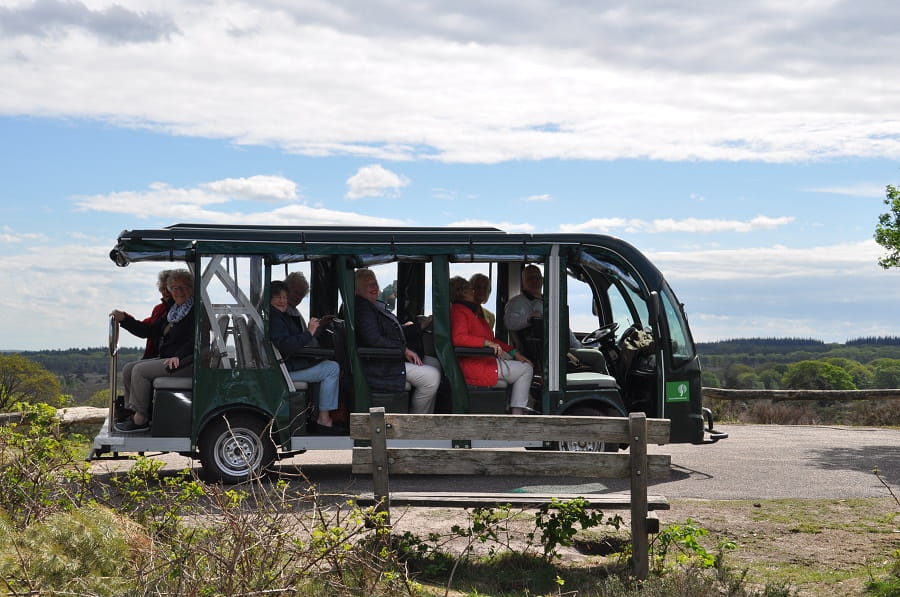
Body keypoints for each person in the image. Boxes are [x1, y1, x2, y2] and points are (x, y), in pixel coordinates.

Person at [111, 269, 195, 433]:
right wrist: (125, 319)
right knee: (128, 368)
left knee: (140, 371)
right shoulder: (174, 312)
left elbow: (196, 339)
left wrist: (179, 356)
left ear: (192, 288)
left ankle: (141, 418)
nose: (179, 291)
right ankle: (133, 412)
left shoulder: (195, 311)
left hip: (186, 362)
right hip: (170, 359)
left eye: (183, 287)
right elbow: (149, 331)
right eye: (175, 288)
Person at [354, 268, 439, 414]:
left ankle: (429, 418)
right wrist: (403, 350)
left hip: (386, 360)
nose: (374, 288)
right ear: (356, 290)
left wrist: (421, 326)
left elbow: (391, 333)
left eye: (375, 283)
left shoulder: (371, 306)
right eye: (368, 285)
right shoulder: (363, 309)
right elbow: (373, 339)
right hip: (379, 366)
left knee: (434, 363)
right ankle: (416, 424)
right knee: (431, 377)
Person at [449, 276, 534, 414]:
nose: (474, 292)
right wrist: (485, 343)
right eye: (471, 290)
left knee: (520, 365)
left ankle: (510, 410)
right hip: (476, 365)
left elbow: (491, 339)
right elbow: (458, 338)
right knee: (526, 369)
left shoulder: (472, 313)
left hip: (482, 361)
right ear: (462, 292)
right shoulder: (460, 312)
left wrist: (514, 352)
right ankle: (517, 415)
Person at [269, 280, 343, 434]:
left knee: (327, 364)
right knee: (332, 368)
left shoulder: (279, 316)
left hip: (286, 364)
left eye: (284, 297)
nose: (282, 301)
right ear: (269, 299)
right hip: (285, 369)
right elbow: (286, 345)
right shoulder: (275, 319)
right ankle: (324, 419)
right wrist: (309, 332)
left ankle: (316, 414)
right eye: (278, 298)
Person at [503, 264, 580, 351]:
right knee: (597, 358)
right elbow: (509, 322)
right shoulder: (516, 302)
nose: (534, 280)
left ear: (542, 280)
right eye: (530, 278)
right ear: (522, 282)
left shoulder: (548, 302)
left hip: (562, 349)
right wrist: (528, 318)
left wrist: (578, 346)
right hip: (541, 353)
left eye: (537, 277)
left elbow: (563, 328)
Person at [284, 271, 318, 346]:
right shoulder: (283, 312)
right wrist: (310, 331)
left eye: (301, 295)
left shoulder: (295, 312)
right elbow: (291, 343)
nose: (298, 297)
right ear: (286, 290)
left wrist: (318, 326)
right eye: (296, 292)